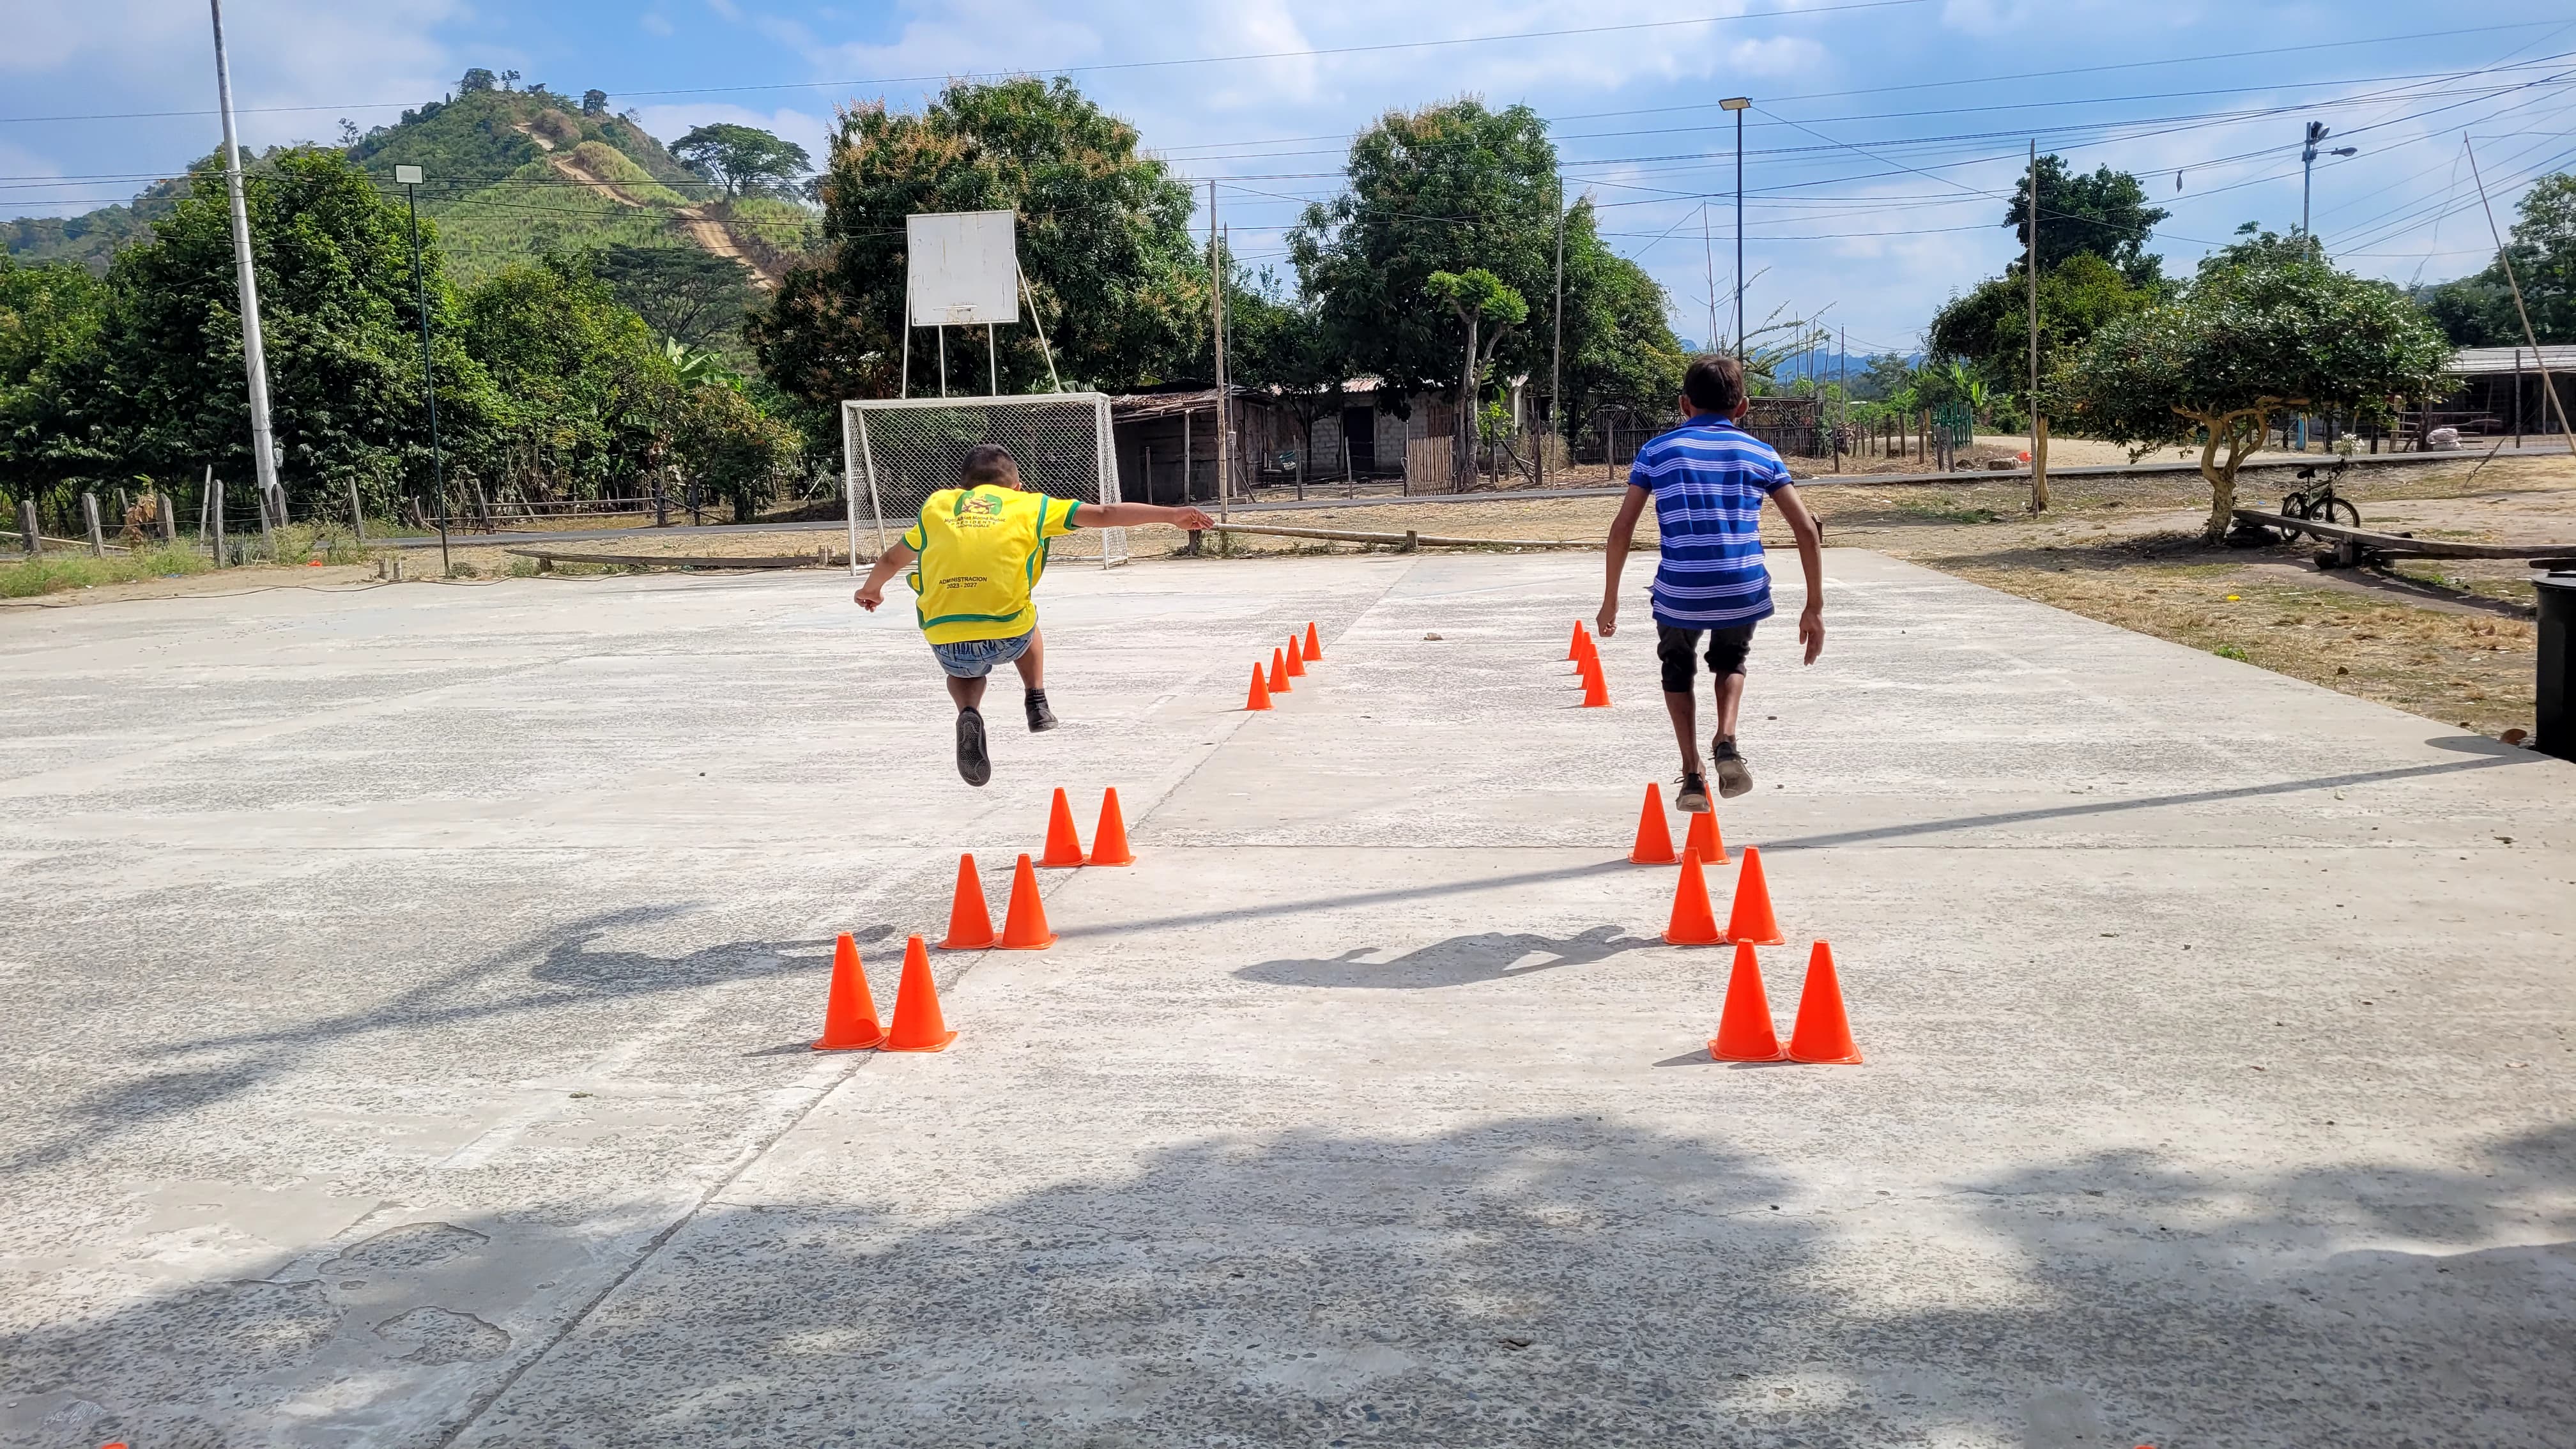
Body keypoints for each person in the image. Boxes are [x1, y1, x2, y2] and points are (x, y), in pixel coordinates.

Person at [854, 444, 1215, 786]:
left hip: (946, 635)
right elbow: (1106, 514)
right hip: (1009, 633)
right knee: (1028, 620)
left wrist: (871, 590)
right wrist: (1171, 516)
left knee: (962, 671)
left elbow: (892, 559)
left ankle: (968, 711)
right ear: (1016, 486)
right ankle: (1036, 701)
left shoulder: (938, 507)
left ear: (962, 488)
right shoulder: (1031, 505)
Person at [1597, 355, 1824, 813]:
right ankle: (1727, 739)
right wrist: (1814, 607)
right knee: (1731, 660)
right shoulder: (1762, 454)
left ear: (1684, 404)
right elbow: (1805, 529)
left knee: (1676, 668)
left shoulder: (1656, 452)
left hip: (1681, 590)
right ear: (1742, 407)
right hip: (1742, 587)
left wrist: (1611, 601)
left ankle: (1692, 774)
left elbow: (1622, 528)